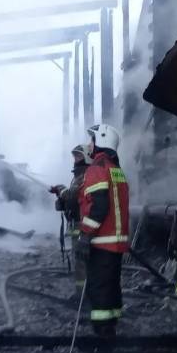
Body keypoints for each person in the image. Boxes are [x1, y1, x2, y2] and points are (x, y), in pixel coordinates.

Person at [74, 124, 130, 339]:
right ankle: (111, 327)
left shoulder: (97, 167)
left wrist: (85, 235)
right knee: (111, 288)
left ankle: (102, 338)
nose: (89, 145)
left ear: (102, 141)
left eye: (92, 140)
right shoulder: (116, 169)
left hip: (101, 242)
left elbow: (98, 205)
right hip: (115, 243)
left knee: (98, 291)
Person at [50, 144, 91, 298]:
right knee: (79, 261)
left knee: (82, 262)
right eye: (74, 156)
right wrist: (61, 197)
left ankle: (83, 296)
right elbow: (71, 199)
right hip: (76, 225)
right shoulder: (78, 175)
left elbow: (73, 196)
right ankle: (81, 292)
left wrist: (61, 190)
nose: (75, 159)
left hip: (83, 227)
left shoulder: (86, 175)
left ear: (87, 156)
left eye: (79, 155)